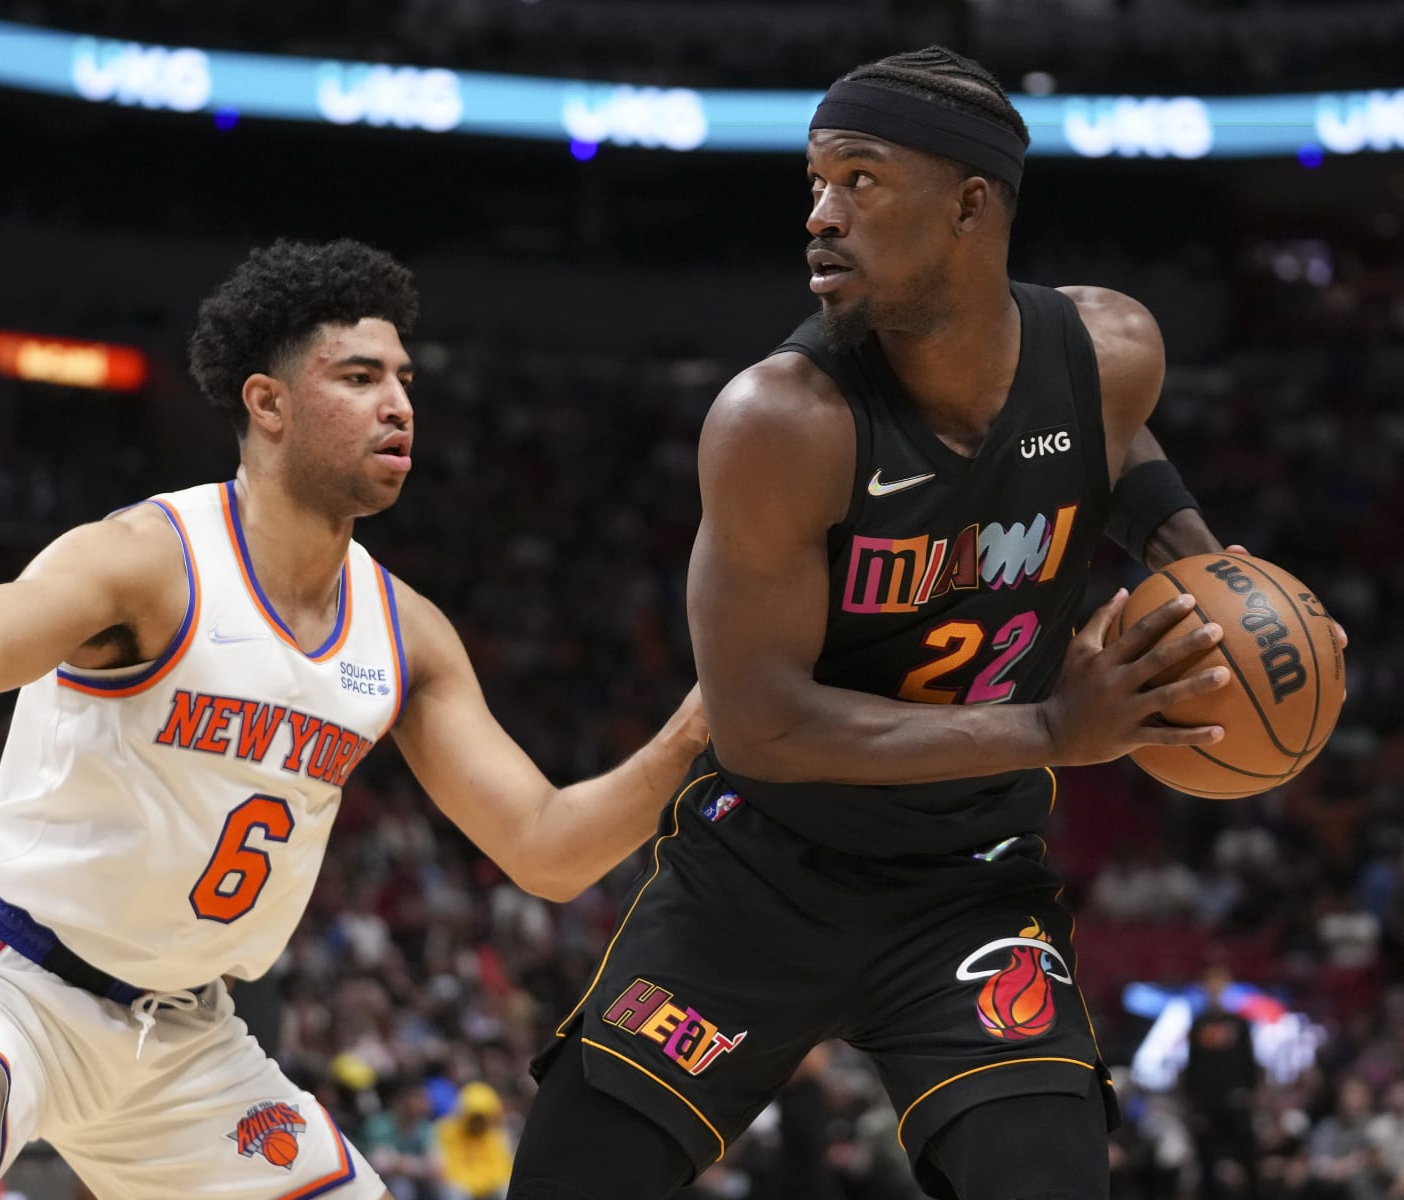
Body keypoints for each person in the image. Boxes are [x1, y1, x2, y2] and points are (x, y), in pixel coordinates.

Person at [0, 238, 707, 1200]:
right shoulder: (151, 558)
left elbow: (548, 848)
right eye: (360, 376)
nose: (400, 404)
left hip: (188, 1039)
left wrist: (695, 731)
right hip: (4, 976)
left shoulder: (408, 634)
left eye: (405, 380)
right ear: (268, 403)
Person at [507, 47, 1342, 1200]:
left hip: (970, 883)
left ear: (968, 206)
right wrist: (1053, 730)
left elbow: (1115, 436)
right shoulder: (779, 422)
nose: (818, 214)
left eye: (859, 179)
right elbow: (762, 730)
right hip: (759, 879)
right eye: (814, 182)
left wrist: (1218, 581)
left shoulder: (1110, 350)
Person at [1182, 964, 1262, 1199]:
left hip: (1237, 1102)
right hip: (1207, 1107)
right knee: (1207, 1163)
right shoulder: (1198, 1024)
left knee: (1248, 1160)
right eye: (1211, 983)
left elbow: (1250, 1062)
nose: (1215, 988)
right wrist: (1193, 1105)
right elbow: (1192, 1066)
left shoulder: (1239, 1024)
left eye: (1220, 983)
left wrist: (1251, 1093)